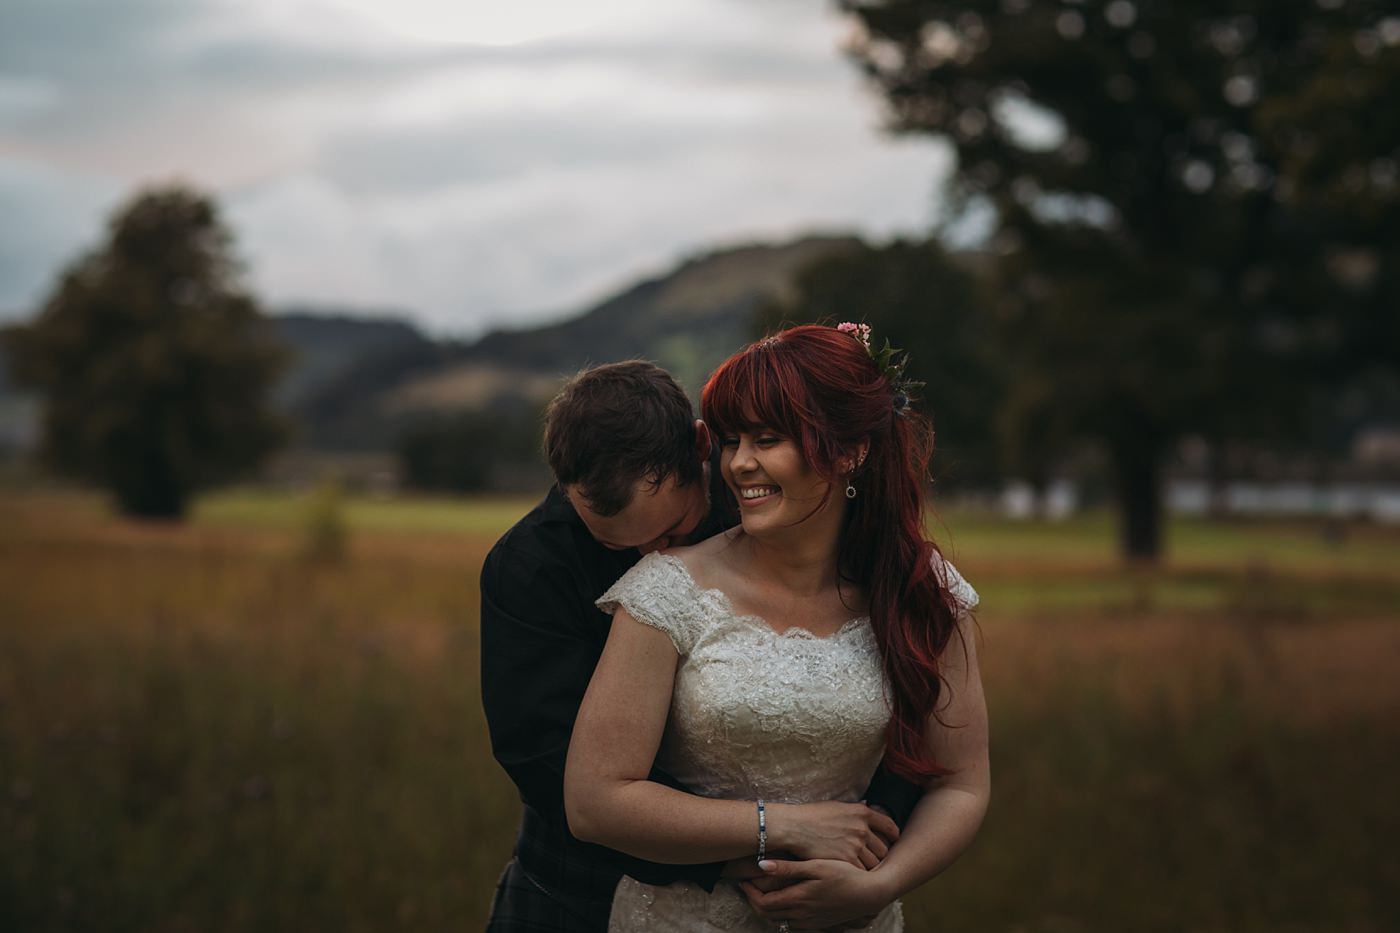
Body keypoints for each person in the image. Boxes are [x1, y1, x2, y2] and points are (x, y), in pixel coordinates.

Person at [564, 325, 990, 931]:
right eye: (732, 440)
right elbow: (595, 801)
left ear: (849, 451)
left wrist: (878, 885)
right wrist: (780, 825)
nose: (739, 465)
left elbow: (961, 784)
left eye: (768, 440)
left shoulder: (925, 591)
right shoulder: (665, 591)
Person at [480, 360, 921, 933]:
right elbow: (545, 761)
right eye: (619, 546)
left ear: (700, 444)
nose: (652, 560)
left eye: (673, 531)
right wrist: (755, 851)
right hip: (572, 887)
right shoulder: (527, 568)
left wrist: (868, 840)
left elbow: (886, 684)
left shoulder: (768, 506)